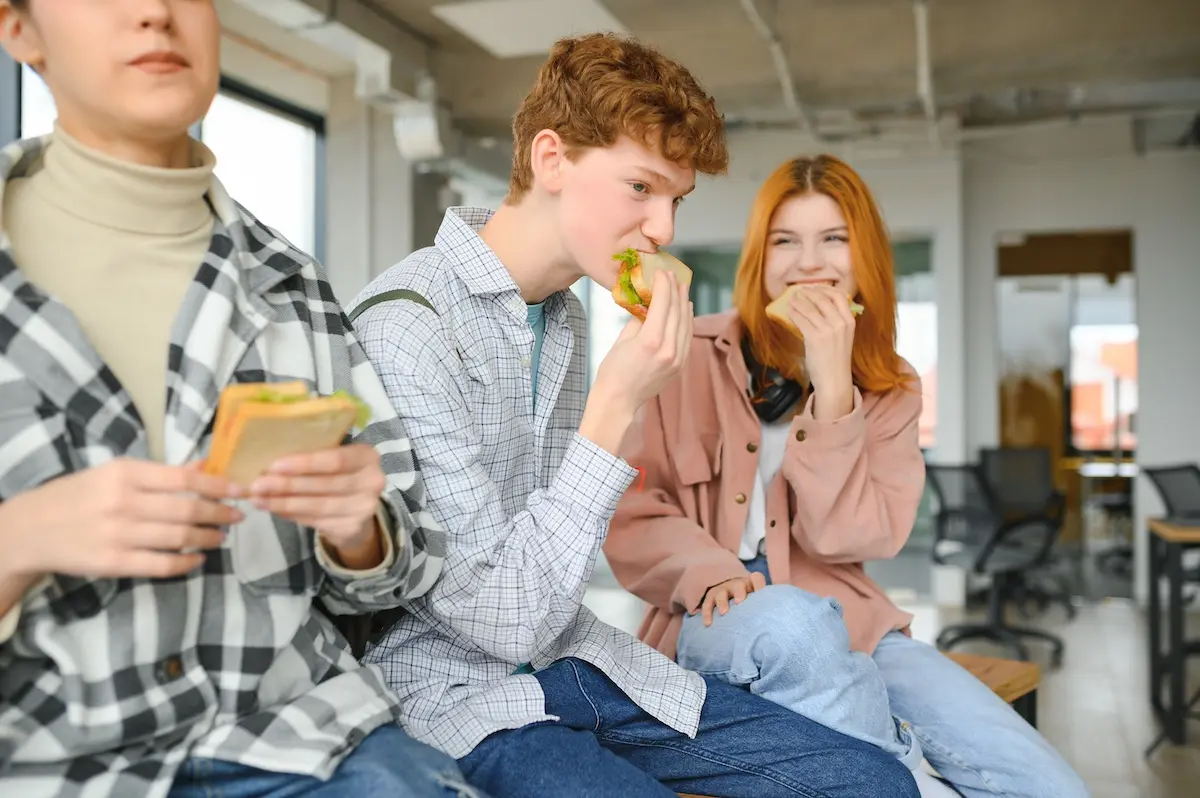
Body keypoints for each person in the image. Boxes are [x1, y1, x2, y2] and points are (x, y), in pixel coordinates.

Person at [349, 32, 919, 798]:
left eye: (675, 199)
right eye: (641, 189)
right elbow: (501, 621)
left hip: (575, 664)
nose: (664, 231)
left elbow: (551, 596)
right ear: (551, 160)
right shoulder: (407, 327)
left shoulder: (567, 317)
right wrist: (618, 403)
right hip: (454, 700)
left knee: (875, 783)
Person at [0, 2, 479, 796]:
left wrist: (358, 530)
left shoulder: (295, 285)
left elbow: (401, 574)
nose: (154, 12)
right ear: (19, 30)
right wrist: (18, 540)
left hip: (300, 742)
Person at [605, 154, 1090, 798]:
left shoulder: (892, 385)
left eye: (834, 240)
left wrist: (834, 390)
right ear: (759, 259)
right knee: (791, 625)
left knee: (1048, 786)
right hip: (715, 615)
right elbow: (631, 513)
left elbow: (855, 540)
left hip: (854, 627)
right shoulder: (684, 352)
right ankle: (910, 779)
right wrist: (708, 569)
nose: (810, 263)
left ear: (865, 260)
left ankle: (893, 764)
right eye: (786, 241)